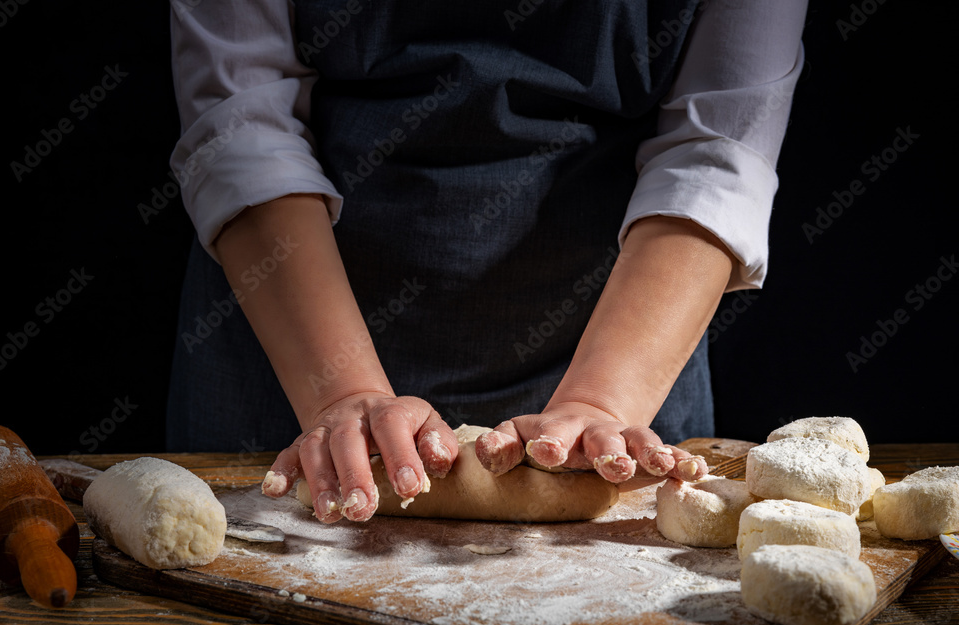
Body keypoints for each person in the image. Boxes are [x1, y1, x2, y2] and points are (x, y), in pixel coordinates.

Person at [166, 0, 808, 523]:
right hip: (293, 332)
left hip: (623, 329)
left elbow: (716, 148)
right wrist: (343, 391)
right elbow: (242, 126)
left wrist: (605, 402)